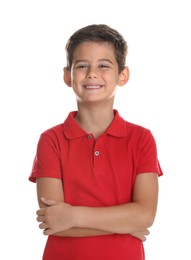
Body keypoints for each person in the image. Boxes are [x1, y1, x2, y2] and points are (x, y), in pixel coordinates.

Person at [29, 24, 163, 260]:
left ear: (123, 75)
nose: (92, 73)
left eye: (103, 65)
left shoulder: (141, 139)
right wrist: (125, 224)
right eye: (81, 66)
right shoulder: (51, 140)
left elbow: (144, 215)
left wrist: (73, 216)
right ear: (67, 76)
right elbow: (53, 220)